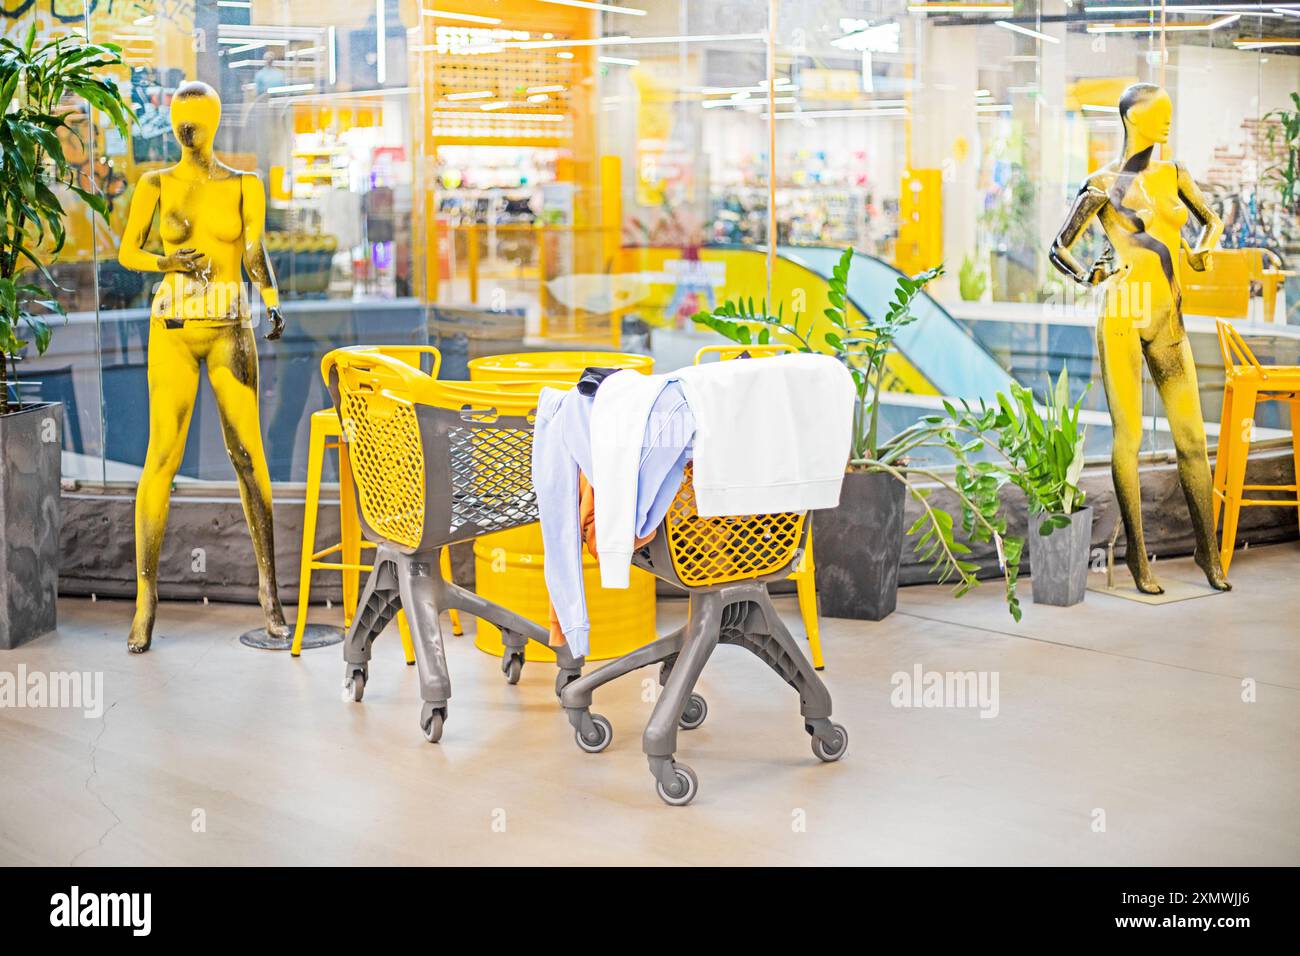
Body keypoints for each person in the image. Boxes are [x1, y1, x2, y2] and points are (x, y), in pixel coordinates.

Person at [118, 80, 290, 652]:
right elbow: (127, 251)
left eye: (196, 122)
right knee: (161, 457)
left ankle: (270, 590)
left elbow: (252, 250)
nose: (186, 132)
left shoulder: (245, 186)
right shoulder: (156, 184)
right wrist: (164, 259)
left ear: (215, 123)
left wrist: (271, 299)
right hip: (173, 328)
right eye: (179, 122)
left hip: (230, 329)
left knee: (249, 454)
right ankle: (146, 600)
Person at [1049, 82, 1229, 594]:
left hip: (1169, 318)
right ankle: (1137, 559)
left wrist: (1201, 249)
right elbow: (1060, 247)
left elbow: (1212, 222)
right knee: (1127, 437)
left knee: (1192, 438)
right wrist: (1090, 277)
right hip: (1123, 315)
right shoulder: (1103, 183)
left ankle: (1207, 552)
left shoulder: (1175, 175)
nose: (1168, 123)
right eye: (1159, 115)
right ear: (1132, 120)